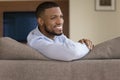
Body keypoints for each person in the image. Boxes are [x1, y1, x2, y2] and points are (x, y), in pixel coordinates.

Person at [27, 1, 94, 61]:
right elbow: (73, 52)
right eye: (53, 17)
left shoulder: (56, 35)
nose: (60, 22)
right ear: (41, 21)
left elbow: (72, 47)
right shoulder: (36, 42)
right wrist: (86, 46)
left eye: (61, 17)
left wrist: (80, 44)